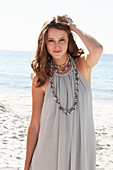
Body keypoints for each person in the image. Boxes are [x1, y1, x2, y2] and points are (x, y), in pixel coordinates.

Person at [24, 15, 103, 170]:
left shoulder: (83, 65)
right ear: (44, 44)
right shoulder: (41, 77)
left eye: (62, 40)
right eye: (51, 40)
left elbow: (98, 49)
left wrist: (73, 27)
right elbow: (34, 125)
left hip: (80, 150)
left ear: (69, 41)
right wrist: (26, 166)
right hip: (48, 153)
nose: (57, 46)